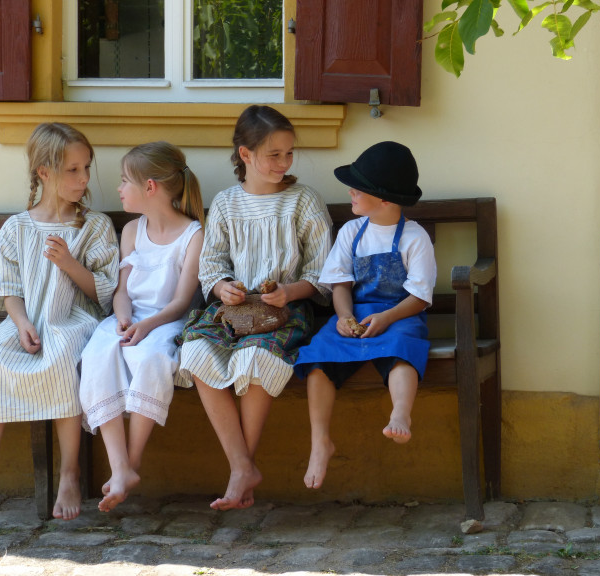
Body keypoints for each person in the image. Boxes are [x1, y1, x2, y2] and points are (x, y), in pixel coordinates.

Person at [176, 105, 332, 511]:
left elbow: (324, 271)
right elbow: (211, 264)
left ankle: (240, 470)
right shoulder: (227, 204)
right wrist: (223, 286)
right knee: (195, 351)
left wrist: (290, 291)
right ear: (245, 155)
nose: (284, 162)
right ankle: (242, 464)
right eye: (274, 154)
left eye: (289, 153)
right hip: (234, 311)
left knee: (254, 359)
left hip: (285, 311)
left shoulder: (302, 201)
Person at [0, 122, 120, 520]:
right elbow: (6, 286)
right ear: (43, 172)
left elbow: (105, 289)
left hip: (73, 319)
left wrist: (69, 262)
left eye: (87, 168)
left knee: (63, 360)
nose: (84, 178)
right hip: (27, 319)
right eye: (73, 170)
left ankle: (70, 473)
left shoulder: (93, 226)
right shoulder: (18, 227)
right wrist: (19, 321)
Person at [293, 141, 437, 490]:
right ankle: (320, 442)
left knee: (403, 349)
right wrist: (342, 316)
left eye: (359, 188)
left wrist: (387, 319)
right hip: (354, 317)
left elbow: (419, 297)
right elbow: (340, 285)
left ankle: (400, 411)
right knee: (318, 356)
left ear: (385, 199)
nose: (350, 192)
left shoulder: (415, 238)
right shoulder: (350, 233)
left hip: (399, 317)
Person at [79, 142, 204, 513]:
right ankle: (119, 468)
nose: (118, 189)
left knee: (150, 359)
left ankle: (130, 465)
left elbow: (182, 302)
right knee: (98, 354)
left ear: (150, 187)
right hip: (131, 318)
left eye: (124, 181)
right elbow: (122, 292)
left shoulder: (193, 234)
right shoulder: (133, 229)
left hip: (166, 321)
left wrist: (147, 325)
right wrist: (122, 317)